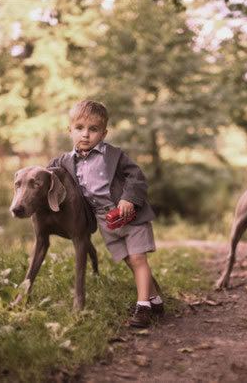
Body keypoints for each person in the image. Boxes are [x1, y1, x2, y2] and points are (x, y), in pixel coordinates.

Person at [48, 100, 163, 327]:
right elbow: (45, 171)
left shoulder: (113, 155)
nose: (86, 135)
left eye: (93, 129)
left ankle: (143, 308)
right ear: (69, 130)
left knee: (139, 258)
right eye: (79, 128)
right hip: (105, 220)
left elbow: (136, 176)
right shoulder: (66, 161)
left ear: (103, 133)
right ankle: (155, 301)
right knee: (130, 261)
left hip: (130, 214)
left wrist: (128, 198)